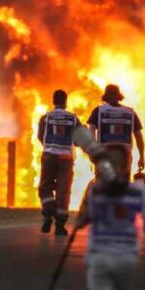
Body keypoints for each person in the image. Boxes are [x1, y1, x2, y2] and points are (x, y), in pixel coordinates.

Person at [76, 145, 145, 290]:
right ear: (125, 168)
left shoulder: (94, 189)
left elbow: (80, 221)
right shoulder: (138, 191)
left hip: (99, 257)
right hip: (126, 258)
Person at [37, 89, 80, 236]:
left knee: (45, 187)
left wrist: (50, 147)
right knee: (63, 191)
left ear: (53, 101)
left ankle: (48, 214)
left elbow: (40, 137)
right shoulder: (73, 118)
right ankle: (60, 226)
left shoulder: (45, 118)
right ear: (65, 101)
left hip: (49, 156)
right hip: (65, 159)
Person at [87, 85, 144, 176]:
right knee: (122, 186)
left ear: (106, 97)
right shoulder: (130, 112)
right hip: (124, 155)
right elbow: (138, 136)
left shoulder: (98, 111)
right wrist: (141, 157)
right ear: (119, 97)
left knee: (102, 186)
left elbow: (91, 133)